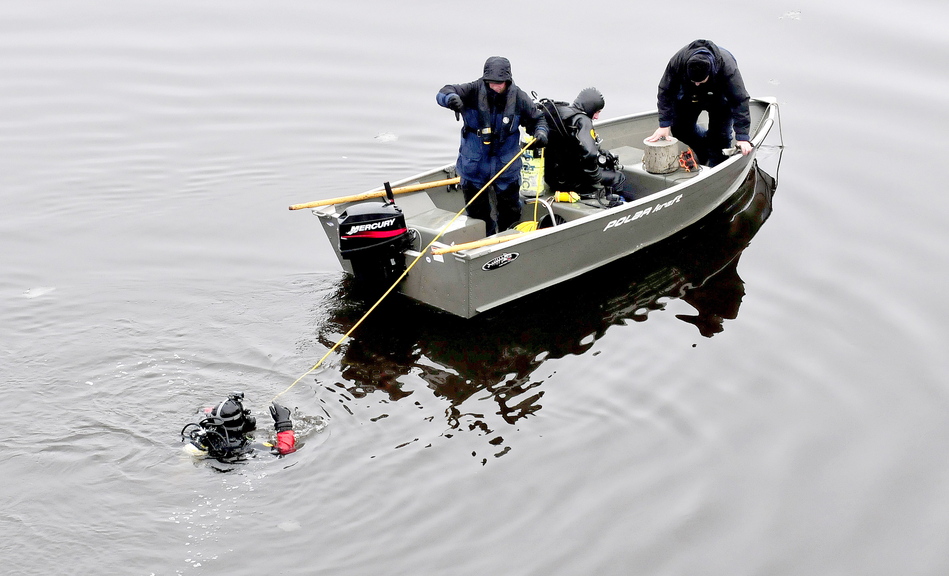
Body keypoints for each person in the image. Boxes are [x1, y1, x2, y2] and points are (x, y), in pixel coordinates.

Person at [437, 56, 549, 235]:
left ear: (508, 81)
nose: (495, 86)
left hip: (506, 166)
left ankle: (508, 237)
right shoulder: (472, 90)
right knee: (476, 214)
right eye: (491, 82)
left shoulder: (519, 97)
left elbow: (538, 119)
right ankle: (485, 240)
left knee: (510, 211)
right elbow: (443, 92)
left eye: (500, 83)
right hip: (474, 166)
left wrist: (541, 133)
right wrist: (451, 99)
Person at [646, 39, 753, 166]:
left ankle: (716, 164)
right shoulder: (678, 61)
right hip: (689, 95)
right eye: (694, 81)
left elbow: (739, 100)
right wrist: (664, 125)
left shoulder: (727, 67)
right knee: (680, 130)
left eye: (700, 81)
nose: (697, 84)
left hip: (719, 98)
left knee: (720, 138)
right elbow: (665, 91)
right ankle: (704, 150)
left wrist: (742, 137)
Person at [540, 87, 634, 205]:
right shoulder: (582, 121)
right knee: (617, 178)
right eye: (597, 112)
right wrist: (596, 177)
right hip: (571, 182)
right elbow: (589, 153)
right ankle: (620, 207)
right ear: (590, 107)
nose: (596, 117)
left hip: (552, 178)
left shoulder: (558, 114)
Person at [181, 392, 296, 461]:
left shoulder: (206, 432)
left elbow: (202, 410)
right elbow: (285, 450)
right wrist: (284, 424)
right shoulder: (244, 447)